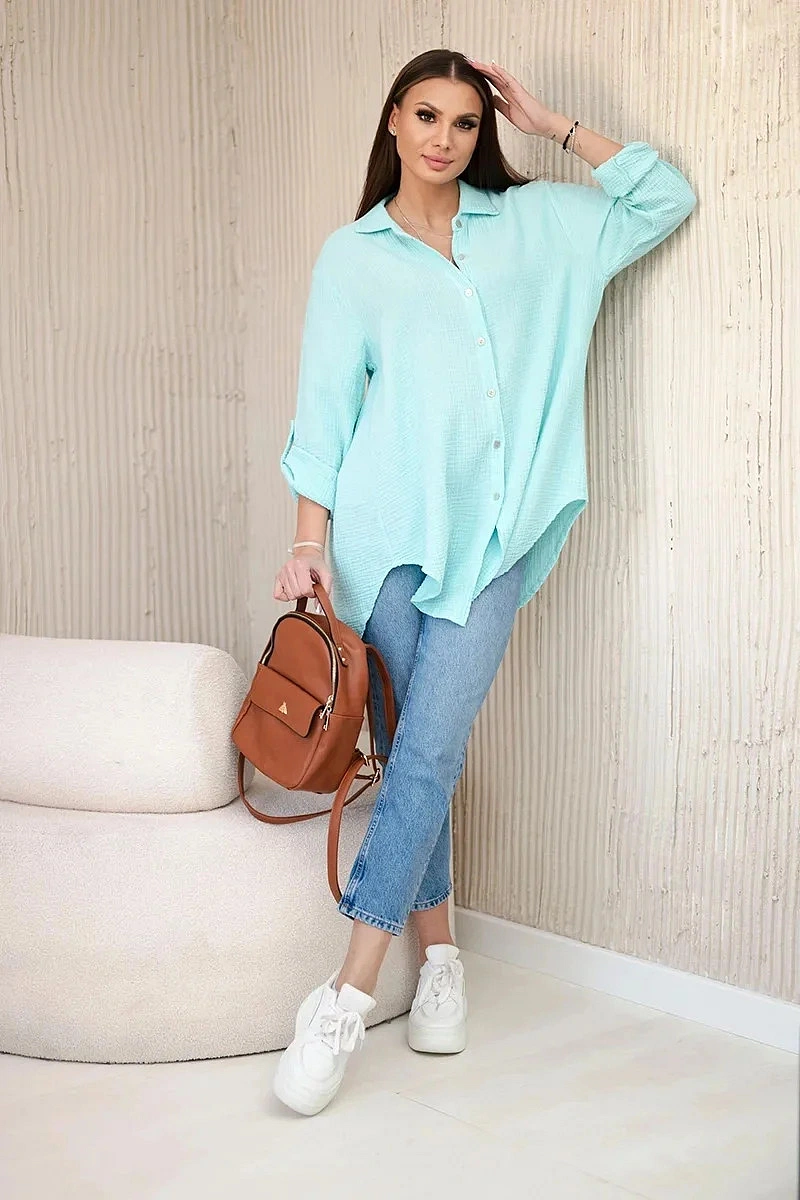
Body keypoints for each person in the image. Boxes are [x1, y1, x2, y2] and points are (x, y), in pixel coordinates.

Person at [270, 48, 697, 1117]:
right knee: (410, 753)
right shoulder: (353, 257)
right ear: (393, 119)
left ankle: (342, 996)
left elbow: (662, 199)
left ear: (482, 132)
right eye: (426, 115)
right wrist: (310, 542)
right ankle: (442, 963)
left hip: (495, 539)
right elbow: (324, 415)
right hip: (382, 543)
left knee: (429, 750)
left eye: (464, 122)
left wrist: (555, 127)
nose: (443, 139)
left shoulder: (537, 227)